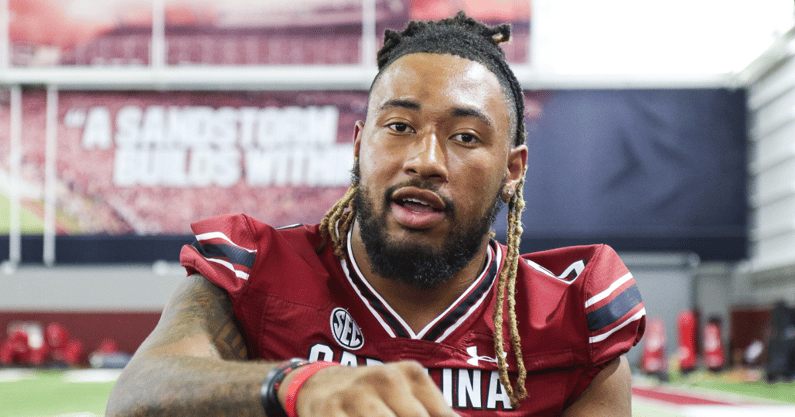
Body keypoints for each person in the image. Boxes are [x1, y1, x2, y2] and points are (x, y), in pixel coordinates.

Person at [106, 12, 645, 417]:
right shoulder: (254, 273)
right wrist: (301, 385)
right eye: (399, 127)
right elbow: (138, 394)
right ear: (360, 144)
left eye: (464, 137)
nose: (425, 160)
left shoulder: (569, 321)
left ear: (513, 170)